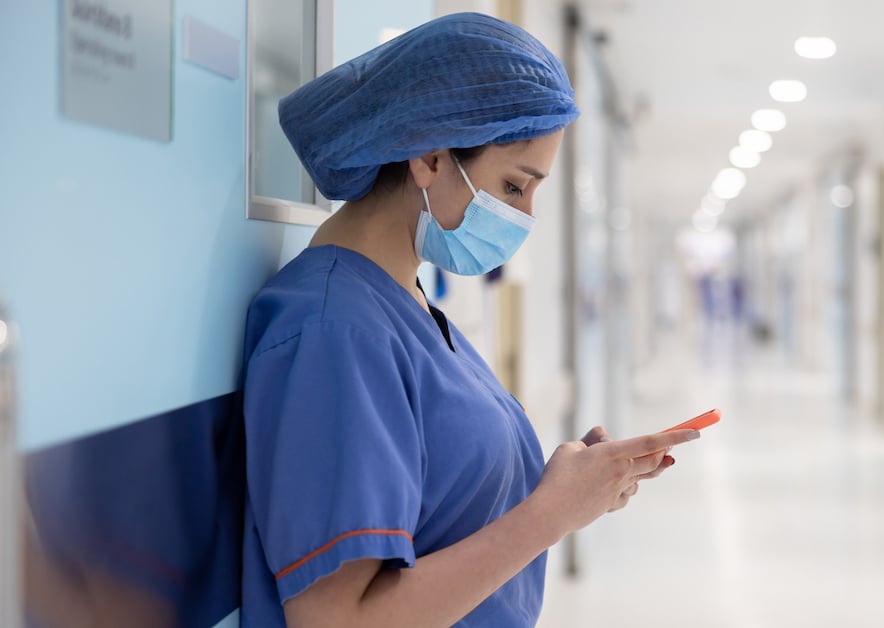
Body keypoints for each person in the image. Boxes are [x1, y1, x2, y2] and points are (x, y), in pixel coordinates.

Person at [239, 13, 700, 628]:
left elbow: (446, 512)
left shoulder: (410, 301)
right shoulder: (334, 332)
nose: (525, 216)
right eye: (513, 187)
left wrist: (571, 489)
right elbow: (336, 618)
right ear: (429, 157)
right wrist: (550, 515)